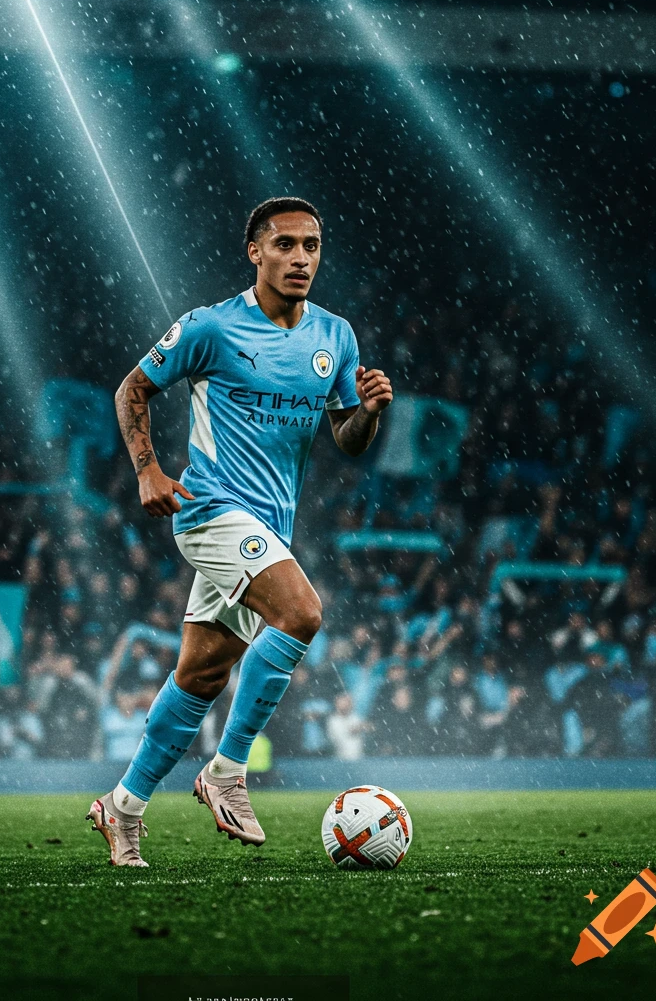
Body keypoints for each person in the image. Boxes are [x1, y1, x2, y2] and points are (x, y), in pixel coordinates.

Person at [87, 197, 393, 865]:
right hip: (209, 509)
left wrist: (368, 412)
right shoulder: (211, 327)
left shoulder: (335, 336)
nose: (300, 258)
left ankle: (122, 807)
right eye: (285, 245)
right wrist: (148, 471)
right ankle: (228, 771)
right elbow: (132, 389)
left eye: (311, 246)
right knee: (302, 612)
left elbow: (347, 439)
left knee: (201, 673)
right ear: (255, 252)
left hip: (270, 528)